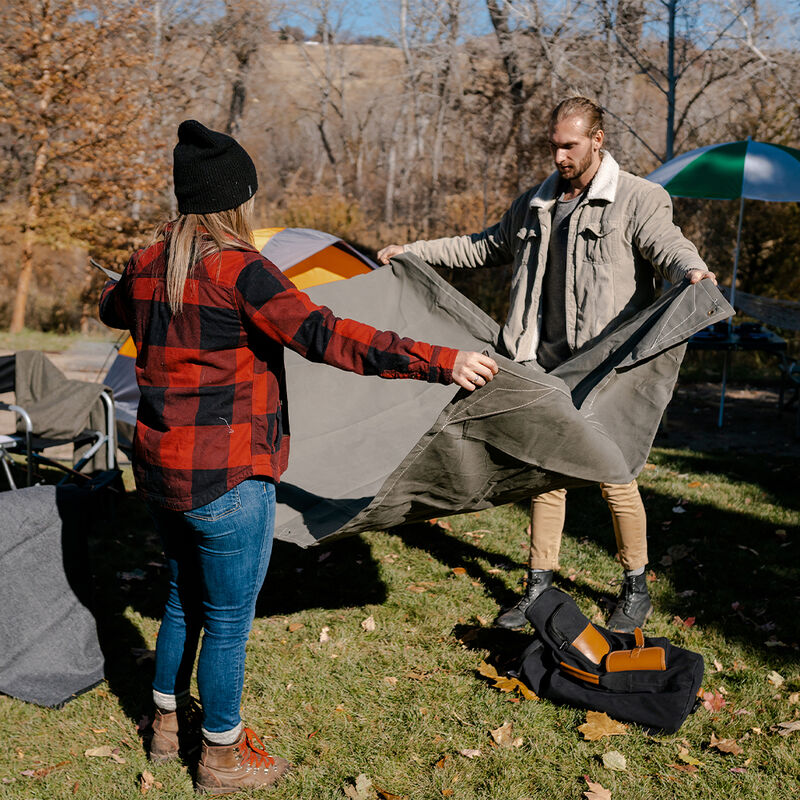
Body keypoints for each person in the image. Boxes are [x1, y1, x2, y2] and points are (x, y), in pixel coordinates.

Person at [99, 119, 497, 795]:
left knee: (181, 597)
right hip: (228, 475)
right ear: (238, 198)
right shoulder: (241, 269)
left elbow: (113, 308)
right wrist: (441, 359)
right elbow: (326, 336)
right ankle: (222, 756)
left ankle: (166, 726)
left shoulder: (147, 262)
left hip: (161, 472)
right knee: (228, 621)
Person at [378, 96, 715, 634]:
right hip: (541, 365)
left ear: (597, 140)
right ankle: (539, 586)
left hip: (605, 371)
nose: (559, 156)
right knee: (544, 477)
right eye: (554, 146)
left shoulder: (638, 198)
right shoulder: (535, 204)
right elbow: (482, 246)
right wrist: (414, 251)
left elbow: (667, 246)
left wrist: (693, 271)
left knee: (615, 474)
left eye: (569, 146)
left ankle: (635, 585)